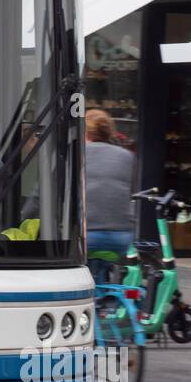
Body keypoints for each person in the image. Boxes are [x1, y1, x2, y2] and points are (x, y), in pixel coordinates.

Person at [85, 108, 136, 282]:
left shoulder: (77, 154)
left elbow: (40, 196)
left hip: (88, 235)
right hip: (121, 237)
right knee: (102, 275)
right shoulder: (126, 156)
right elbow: (131, 192)